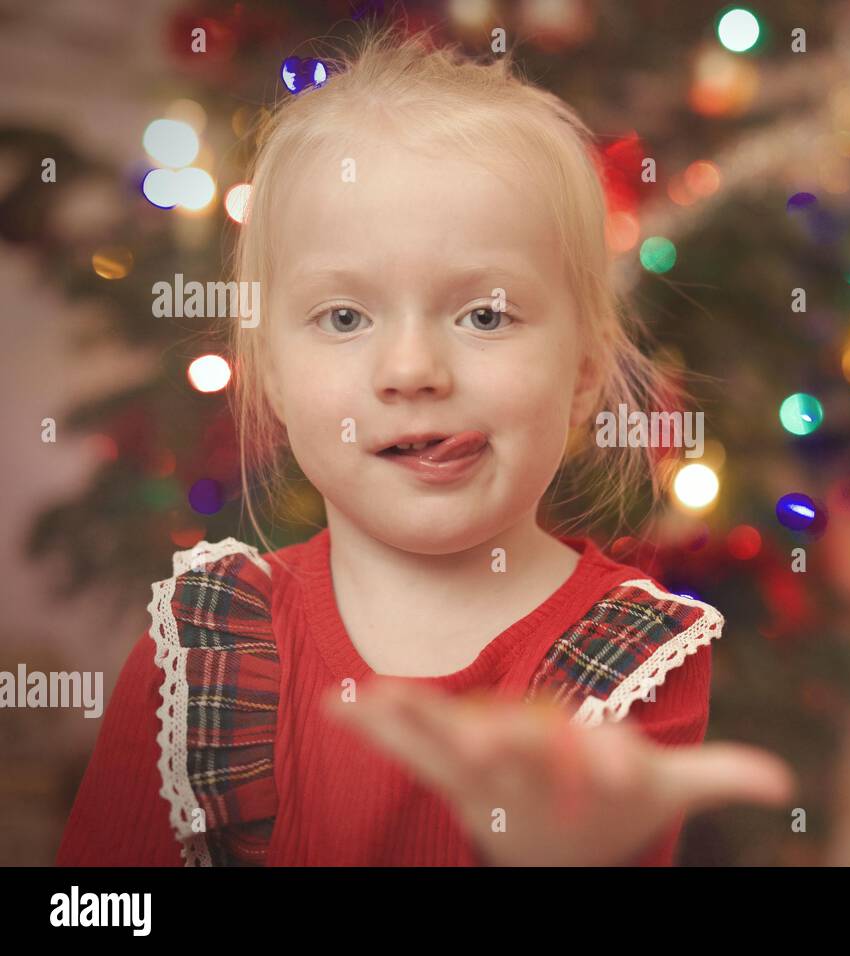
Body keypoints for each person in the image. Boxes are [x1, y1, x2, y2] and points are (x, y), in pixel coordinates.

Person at [56, 27, 794, 867]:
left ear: (586, 372)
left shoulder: (627, 659)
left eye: (485, 315)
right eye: (345, 317)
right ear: (269, 377)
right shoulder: (198, 651)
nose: (412, 370)